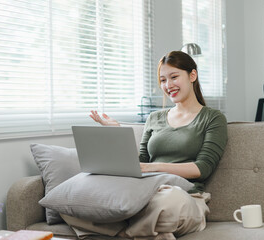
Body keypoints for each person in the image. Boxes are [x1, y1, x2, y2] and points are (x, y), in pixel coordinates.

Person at [87, 51, 228, 239]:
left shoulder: (213, 118)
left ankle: (122, 230)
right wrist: (118, 133)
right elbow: (138, 162)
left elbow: (202, 168)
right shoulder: (154, 118)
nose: (168, 85)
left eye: (174, 77)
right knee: (77, 198)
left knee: (168, 203)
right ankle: (145, 231)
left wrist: (150, 167)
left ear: (192, 75)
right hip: (145, 192)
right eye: (163, 80)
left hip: (184, 196)